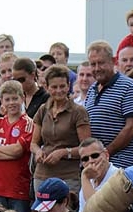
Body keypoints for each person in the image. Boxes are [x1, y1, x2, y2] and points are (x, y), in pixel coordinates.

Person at [30, 65, 91, 195]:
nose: (59, 91)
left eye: (62, 86)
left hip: (68, 175)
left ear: (68, 85)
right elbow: (33, 143)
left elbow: (87, 147)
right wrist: (38, 152)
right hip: (42, 174)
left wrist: (64, 152)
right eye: (54, 87)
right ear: (46, 87)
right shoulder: (42, 110)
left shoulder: (78, 112)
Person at [83, 40, 133, 169]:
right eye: (93, 64)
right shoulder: (92, 89)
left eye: (101, 63)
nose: (97, 68)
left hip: (120, 164)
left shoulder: (128, 86)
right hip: (96, 164)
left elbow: (132, 127)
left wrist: (106, 152)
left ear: (113, 61)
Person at [0, 80, 34, 212]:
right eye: (7, 99)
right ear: (2, 101)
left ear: (22, 98)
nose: (11, 103)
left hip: (18, 188)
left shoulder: (28, 123)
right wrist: (9, 152)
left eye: (15, 98)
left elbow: (18, 151)